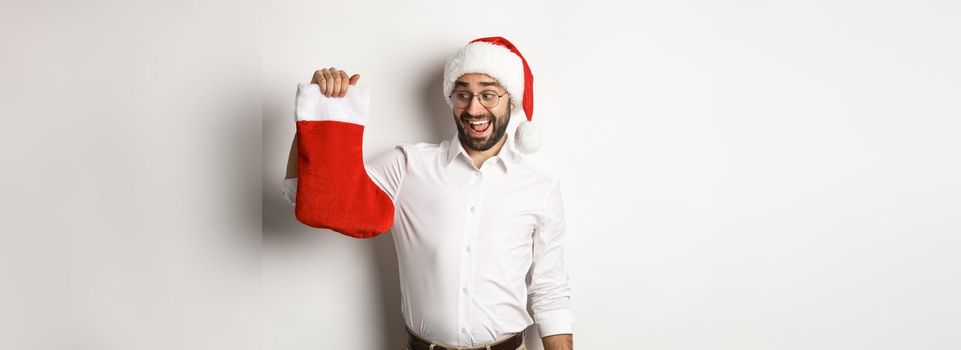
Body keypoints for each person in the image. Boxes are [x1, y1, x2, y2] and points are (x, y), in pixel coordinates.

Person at [282, 37, 574, 350]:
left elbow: (550, 291)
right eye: (463, 95)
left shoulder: (539, 188)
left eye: (488, 95)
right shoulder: (407, 165)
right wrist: (318, 116)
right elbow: (305, 194)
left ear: (511, 102)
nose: (474, 109)